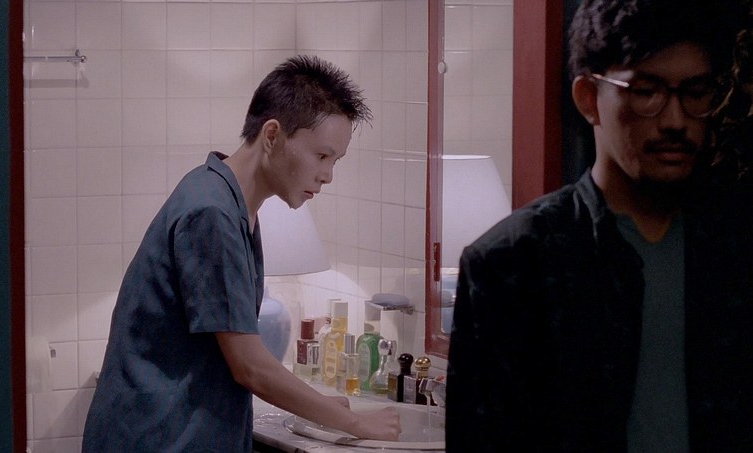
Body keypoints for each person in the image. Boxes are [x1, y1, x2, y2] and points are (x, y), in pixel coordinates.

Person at [446, 0, 753, 451]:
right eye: (646, 92)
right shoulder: (514, 261)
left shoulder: (735, 249)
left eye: (695, 92)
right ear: (589, 98)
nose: (675, 120)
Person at [82, 55, 400, 452]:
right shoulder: (211, 212)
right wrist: (356, 423)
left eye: (335, 161)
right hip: (159, 437)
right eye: (321, 156)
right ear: (272, 135)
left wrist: (318, 404)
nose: (327, 175)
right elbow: (249, 365)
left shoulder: (229, 201)